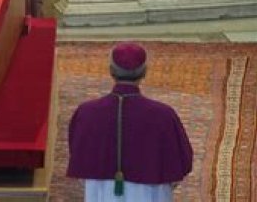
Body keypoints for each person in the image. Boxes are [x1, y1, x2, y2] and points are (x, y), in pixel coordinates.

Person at [67, 42, 193, 201]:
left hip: (101, 192)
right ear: (144, 72)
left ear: (111, 71)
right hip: (150, 193)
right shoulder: (164, 115)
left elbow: (78, 155)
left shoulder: (87, 112)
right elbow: (182, 162)